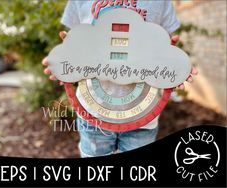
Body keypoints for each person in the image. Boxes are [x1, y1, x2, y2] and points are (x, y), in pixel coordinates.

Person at [42, 0, 198, 158]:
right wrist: (64, 66)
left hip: (144, 117)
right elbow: (77, 45)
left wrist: (177, 67)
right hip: (92, 114)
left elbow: (165, 49)